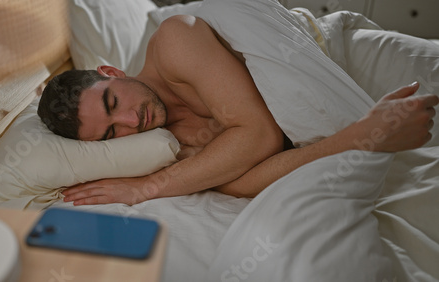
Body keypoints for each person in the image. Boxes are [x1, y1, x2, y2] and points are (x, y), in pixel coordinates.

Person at [37, 15, 438, 206]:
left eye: (112, 102)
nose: (129, 121)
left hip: (339, 58)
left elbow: (260, 135)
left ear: (110, 71)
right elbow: (244, 183)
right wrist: (354, 140)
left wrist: (146, 190)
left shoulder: (173, 42)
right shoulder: (164, 150)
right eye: (111, 133)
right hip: (346, 126)